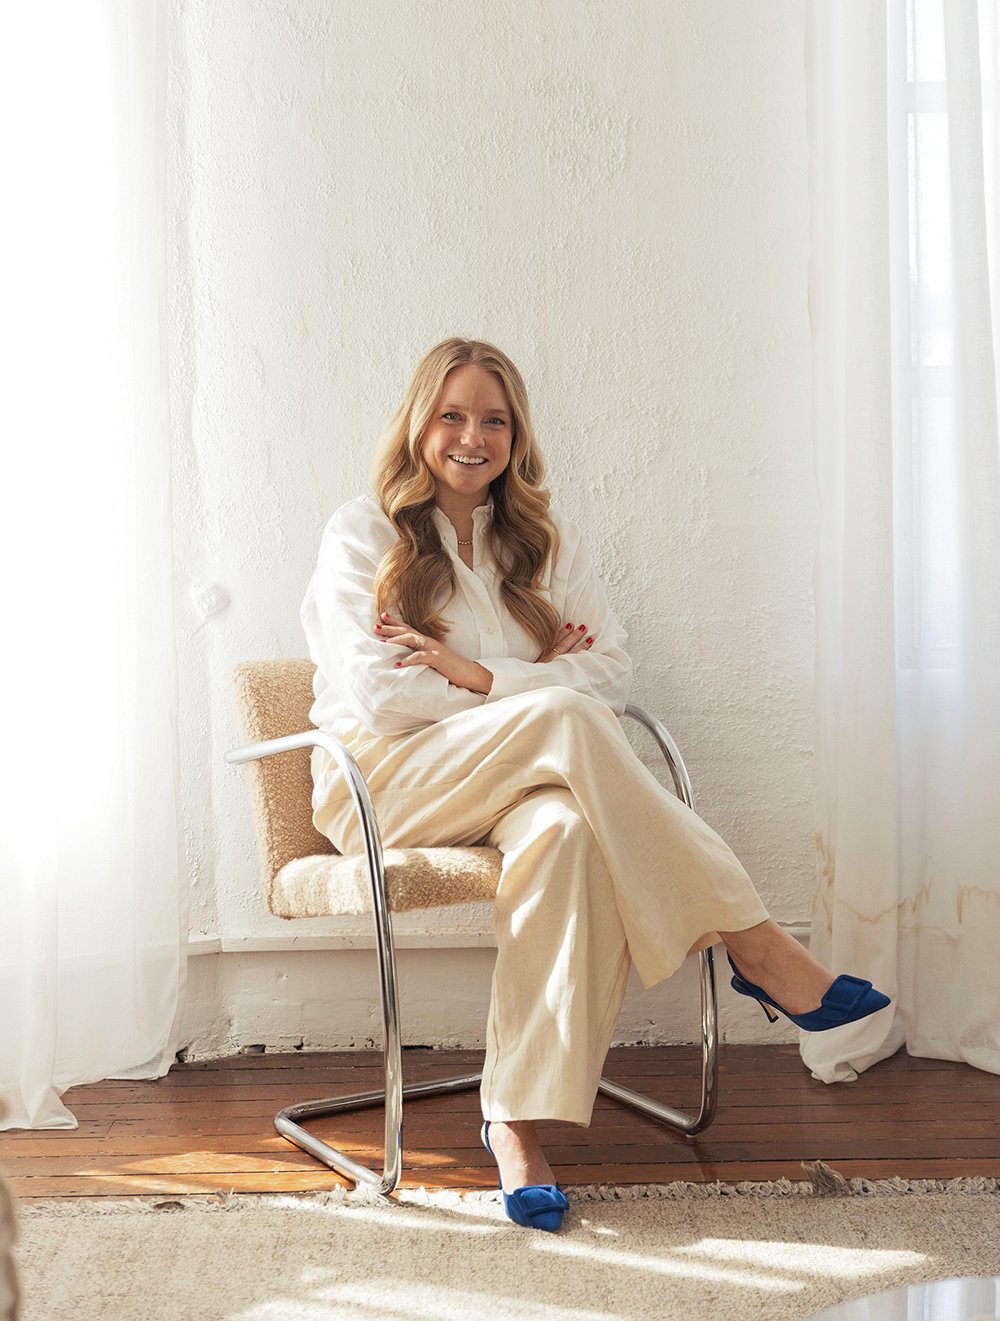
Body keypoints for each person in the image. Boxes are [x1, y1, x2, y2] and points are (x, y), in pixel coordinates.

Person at [300, 336, 890, 1232]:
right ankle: (756, 942)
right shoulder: (362, 532)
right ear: (419, 422)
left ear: (517, 435)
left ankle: (515, 1121)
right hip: (381, 782)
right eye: (452, 414)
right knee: (568, 722)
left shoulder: (540, 542)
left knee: (569, 832)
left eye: (494, 419)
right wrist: (528, 680)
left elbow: (610, 671)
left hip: (516, 778)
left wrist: (466, 668)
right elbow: (383, 693)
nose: (473, 435)